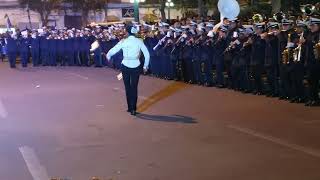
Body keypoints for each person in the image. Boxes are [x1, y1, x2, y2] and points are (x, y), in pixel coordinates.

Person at [106, 23, 150, 116]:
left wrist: (108, 56)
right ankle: (133, 109)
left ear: (127, 32)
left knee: (127, 87)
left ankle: (129, 107)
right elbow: (147, 54)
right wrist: (145, 66)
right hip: (136, 65)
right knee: (134, 87)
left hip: (125, 65)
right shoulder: (139, 41)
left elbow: (113, 50)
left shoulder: (123, 41)